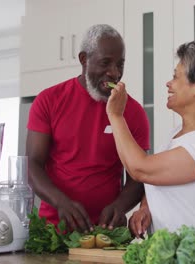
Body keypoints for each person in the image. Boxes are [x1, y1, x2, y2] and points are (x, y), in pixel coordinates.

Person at [106, 41, 195, 253]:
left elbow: (140, 169)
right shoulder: (175, 135)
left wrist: (116, 115)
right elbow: (157, 179)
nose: (169, 83)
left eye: (176, 76)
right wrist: (146, 208)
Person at [26, 24, 150, 233]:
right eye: (105, 63)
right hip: (54, 231)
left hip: (106, 233)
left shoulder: (134, 112)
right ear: (84, 59)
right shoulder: (48, 100)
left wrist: (120, 206)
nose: (115, 72)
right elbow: (33, 166)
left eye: (120, 64)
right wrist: (61, 202)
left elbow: (139, 176)